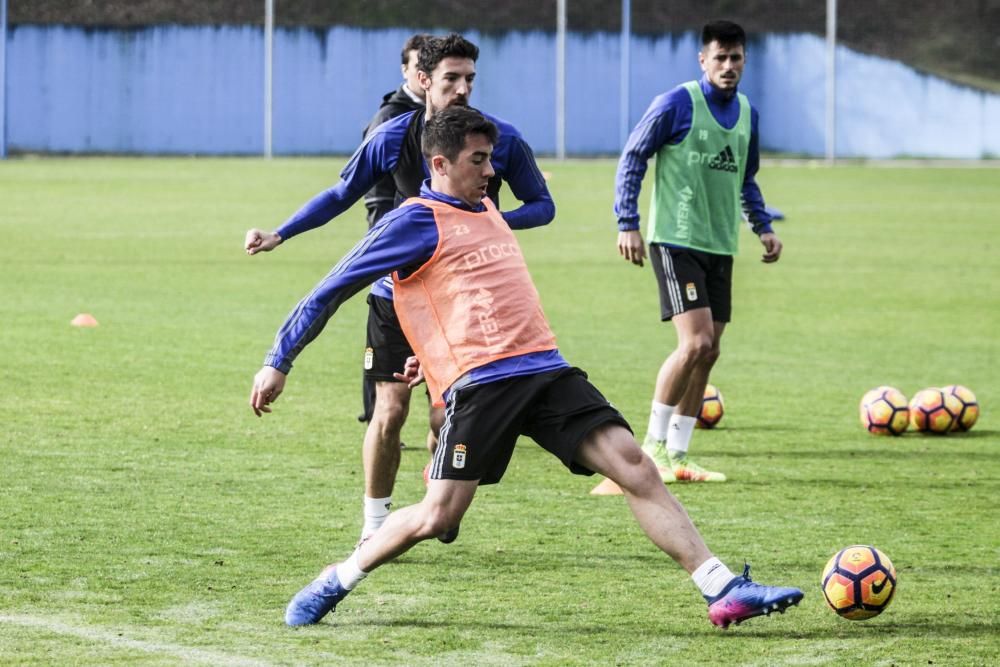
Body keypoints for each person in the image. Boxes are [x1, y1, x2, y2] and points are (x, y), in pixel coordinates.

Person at [248, 106, 803, 629]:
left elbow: (467, 292)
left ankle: (720, 587)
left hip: (545, 368)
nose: (492, 171)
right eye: (479, 161)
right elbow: (328, 290)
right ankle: (338, 578)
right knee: (438, 517)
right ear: (438, 164)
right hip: (484, 386)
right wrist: (279, 360)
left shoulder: (486, 207)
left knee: (635, 466)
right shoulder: (412, 221)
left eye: (491, 158)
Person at [244, 34, 554, 544]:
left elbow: (543, 205)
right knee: (389, 410)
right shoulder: (393, 136)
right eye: (451, 78)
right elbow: (341, 193)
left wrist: (489, 220)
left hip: (460, 307)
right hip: (396, 296)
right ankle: (373, 527)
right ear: (423, 80)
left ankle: (436, 499)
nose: (462, 88)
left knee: (442, 415)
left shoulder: (498, 141)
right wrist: (282, 232)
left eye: (470, 79)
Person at [614, 20, 782, 483]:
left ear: (745, 61)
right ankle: (650, 447)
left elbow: (746, 178)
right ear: (703, 60)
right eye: (720, 58)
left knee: (710, 353)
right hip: (676, 238)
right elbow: (634, 155)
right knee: (696, 343)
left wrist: (763, 227)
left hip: (720, 243)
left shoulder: (747, 112)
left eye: (737, 58)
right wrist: (627, 221)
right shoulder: (676, 103)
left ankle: (680, 455)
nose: (729, 66)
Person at [356, 34, 429, 439]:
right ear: (407, 70)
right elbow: (371, 185)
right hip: (390, 227)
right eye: (418, 65)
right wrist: (383, 229)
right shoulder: (390, 118)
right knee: (386, 318)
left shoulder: (445, 117)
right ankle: (377, 414)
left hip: (428, 243)